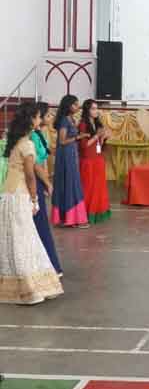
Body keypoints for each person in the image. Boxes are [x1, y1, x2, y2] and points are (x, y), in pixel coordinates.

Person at [0, 103, 64, 305]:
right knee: (25, 240)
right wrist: (35, 199)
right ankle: (30, 288)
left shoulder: (15, 141)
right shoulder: (27, 145)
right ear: (30, 120)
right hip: (20, 196)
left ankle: (20, 285)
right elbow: (29, 176)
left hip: (8, 194)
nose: (40, 120)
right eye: (37, 117)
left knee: (13, 240)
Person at [31, 101, 62, 275]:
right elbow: (35, 165)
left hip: (40, 178)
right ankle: (49, 266)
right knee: (40, 224)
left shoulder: (40, 133)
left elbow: (45, 155)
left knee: (40, 223)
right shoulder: (32, 137)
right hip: (34, 179)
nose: (51, 117)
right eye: (47, 115)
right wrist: (47, 183)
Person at [52, 95, 89, 228]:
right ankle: (69, 218)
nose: (78, 107)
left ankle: (71, 217)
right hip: (65, 155)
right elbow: (62, 141)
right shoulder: (64, 120)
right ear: (68, 106)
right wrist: (79, 137)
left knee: (73, 183)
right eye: (75, 104)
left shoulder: (71, 119)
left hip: (72, 154)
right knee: (69, 183)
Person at [78, 99, 111, 224]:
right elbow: (84, 146)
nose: (96, 111)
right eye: (93, 108)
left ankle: (97, 212)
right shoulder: (83, 124)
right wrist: (96, 136)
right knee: (88, 188)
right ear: (87, 110)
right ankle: (85, 214)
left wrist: (103, 138)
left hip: (98, 159)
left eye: (97, 108)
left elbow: (99, 145)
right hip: (88, 161)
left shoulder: (97, 123)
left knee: (98, 188)